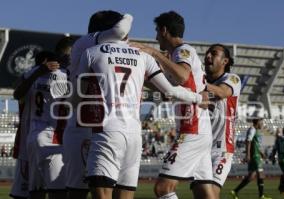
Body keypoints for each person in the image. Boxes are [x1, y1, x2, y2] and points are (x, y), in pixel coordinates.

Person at [71, 11, 208, 199]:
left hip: (107, 131)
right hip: (134, 136)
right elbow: (171, 92)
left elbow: (77, 97)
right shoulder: (142, 55)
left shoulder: (90, 53)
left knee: (101, 194)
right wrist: (199, 98)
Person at [131, 11, 214, 199]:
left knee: (163, 188)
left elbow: (183, 75)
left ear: (164, 30)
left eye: (156, 32)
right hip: (199, 129)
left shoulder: (182, 51)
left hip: (192, 129)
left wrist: (154, 53)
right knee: (204, 191)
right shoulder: (176, 55)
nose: (156, 37)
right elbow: (167, 89)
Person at [63, 10, 133, 199]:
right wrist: (129, 16)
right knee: (79, 192)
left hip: (104, 129)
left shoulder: (104, 53)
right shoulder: (87, 42)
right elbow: (121, 31)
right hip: (82, 128)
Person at [10, 51, 61, 199]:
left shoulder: (29, 76)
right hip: (36, 139)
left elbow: (16, 92)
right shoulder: (31, 77)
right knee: (34, 190)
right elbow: (17, 94)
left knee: (37, 189)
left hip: (34, 138)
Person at [204, 44, 241, 199]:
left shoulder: (232, 79)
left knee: (211, 191)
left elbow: (222, 92)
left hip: (222, 148)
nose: (208, 56)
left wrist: (192, 83)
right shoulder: (202, 81)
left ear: (225, 61)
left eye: (214, 53)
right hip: (201, 147)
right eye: (207, 53)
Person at [231, 118, 272, 199]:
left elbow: (255, 144)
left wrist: (261, 153)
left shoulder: (256, 131)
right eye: (261, 123)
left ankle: (235, 191)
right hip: (254, 156)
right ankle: (261, 195)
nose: (262, 124)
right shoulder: (252, 129)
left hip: (256, 155)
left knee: (251, 176)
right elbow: (248, 141)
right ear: (257, 122)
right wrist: (248, 155)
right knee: (261, 174)